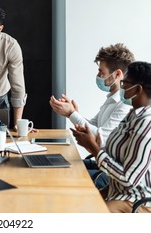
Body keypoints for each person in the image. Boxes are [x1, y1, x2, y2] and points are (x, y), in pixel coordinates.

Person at [49, 43, 135, 188]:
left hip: (111, 173)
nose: (98, 76)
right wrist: (74, 113)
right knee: (59, 166)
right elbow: (94, 125)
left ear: (118, 74)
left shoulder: (124, 105)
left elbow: (100, 137)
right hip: (101, 163)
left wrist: (72, 113)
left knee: (63, 177)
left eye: (101, 72)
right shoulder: (111, 99)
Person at [71, 61, 151, 213]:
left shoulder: (146, 124)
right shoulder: (132, 116)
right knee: (74, 204)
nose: (121, 87)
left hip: (136, 202)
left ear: (138, 89)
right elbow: (113, 151)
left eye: (125, 84)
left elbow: (129, 179)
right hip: (115, 193)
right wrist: (90, 143)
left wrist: (95, 149)